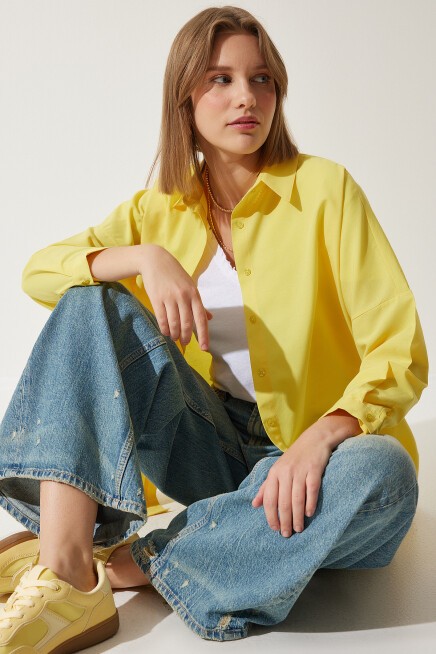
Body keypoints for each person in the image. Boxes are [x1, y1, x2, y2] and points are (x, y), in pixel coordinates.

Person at [0, 5, 428, 650]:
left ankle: (140, 560)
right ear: (185, 98)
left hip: (319, 464)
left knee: (385, 475)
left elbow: (399, 349)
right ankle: (66, 571)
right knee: (90, 302)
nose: (246, 97)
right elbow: (39, 273)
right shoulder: (158, 210)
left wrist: (321, 438)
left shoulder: (325, 190)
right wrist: (145, 257)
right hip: (209, 447)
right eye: (220, 79)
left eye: (262, 79)